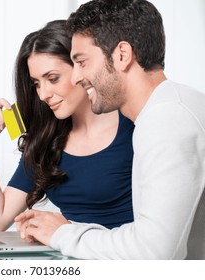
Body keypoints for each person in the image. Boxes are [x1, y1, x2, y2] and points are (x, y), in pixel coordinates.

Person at [15, 0, 205, 259]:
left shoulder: (167, 118)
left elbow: (154, 251)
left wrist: (62, 234)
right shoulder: (169, 108)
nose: (76, 77)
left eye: (82, 62)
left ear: (122, 55)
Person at [0, 20, 134, 233]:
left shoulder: (134, 126)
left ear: (81, 67)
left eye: (53, 78)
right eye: (37, 84)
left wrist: (65, 231)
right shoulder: (46, 138)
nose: (43, 94)